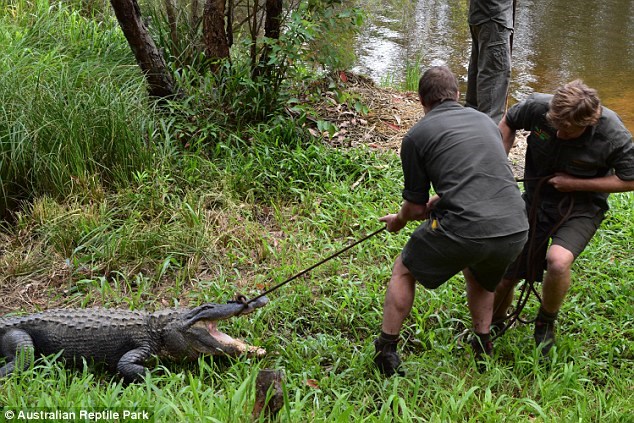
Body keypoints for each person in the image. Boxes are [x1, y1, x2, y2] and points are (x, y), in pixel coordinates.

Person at [374, 66, 529, 377]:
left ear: (421, 100)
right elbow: (479, 173)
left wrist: (398, 221)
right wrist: (445, 198)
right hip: (515, 225)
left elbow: (416, 209)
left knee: (404, 269)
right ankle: (483, 347)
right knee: (482, 277)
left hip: (466, 226)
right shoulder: (485, 121)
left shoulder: (416, 136)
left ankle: (386, 350)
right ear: (457, 95)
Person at [492, 80, 634, 356]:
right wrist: (500, 164)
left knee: (557, 261)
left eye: (567, 129)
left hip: (580, 208)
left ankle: (545, 322)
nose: (558, 133)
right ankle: (495, 322)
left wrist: (577, 184)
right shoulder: (538, 106)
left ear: (589, 123)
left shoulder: (612, 133)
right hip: (533, 201)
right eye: (555, 125)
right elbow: (508, 121)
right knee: (508, 270)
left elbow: (630, 179)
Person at [465, 0, 514, 123]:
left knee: (479, 73)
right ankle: (485, 135)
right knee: (494, 81)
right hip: (494, 18)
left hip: (480, 15)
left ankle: (470, 128)